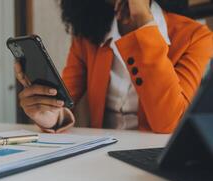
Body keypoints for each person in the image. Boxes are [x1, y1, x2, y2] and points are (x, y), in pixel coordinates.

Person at [14, 0, 213, 134]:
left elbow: (169, 124)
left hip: (156, 160)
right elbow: (64, 101)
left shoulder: (196, 36)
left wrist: (144, 22)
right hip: (101, 156)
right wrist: (49, 116)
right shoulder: (86, 36)